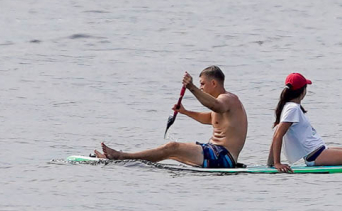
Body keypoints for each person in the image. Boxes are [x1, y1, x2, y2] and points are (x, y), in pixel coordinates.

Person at [96, 66, 249, 169]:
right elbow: (211, 118)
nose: (201, 87)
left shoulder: (228, 99)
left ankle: (120, 157)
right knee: (171, 152)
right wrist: (185, 111)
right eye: (199, 85)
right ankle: (121, 158)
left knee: (172, 147)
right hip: (214, 152)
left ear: (213, 83)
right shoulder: (223, 102)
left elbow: (215, 106)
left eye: (203, 84)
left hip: (222, 157)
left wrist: (192, 87)